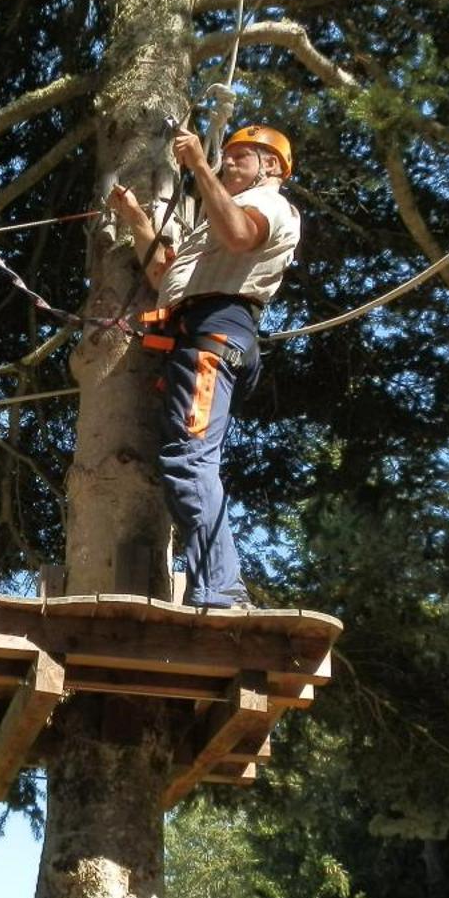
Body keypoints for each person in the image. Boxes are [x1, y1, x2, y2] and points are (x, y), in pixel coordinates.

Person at [106, 124, 300, 609]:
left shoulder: (271, 205)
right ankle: (215, 585)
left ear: (271, 166)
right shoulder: (215, 219)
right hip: (197, 340)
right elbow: (165, 275)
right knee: (187, 462)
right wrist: (135, 219)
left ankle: (223, 590)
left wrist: (197, 166)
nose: (227, 164)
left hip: (213, 338)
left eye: (240, 157)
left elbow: (240, 236)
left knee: (190, 462)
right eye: (225, 158)